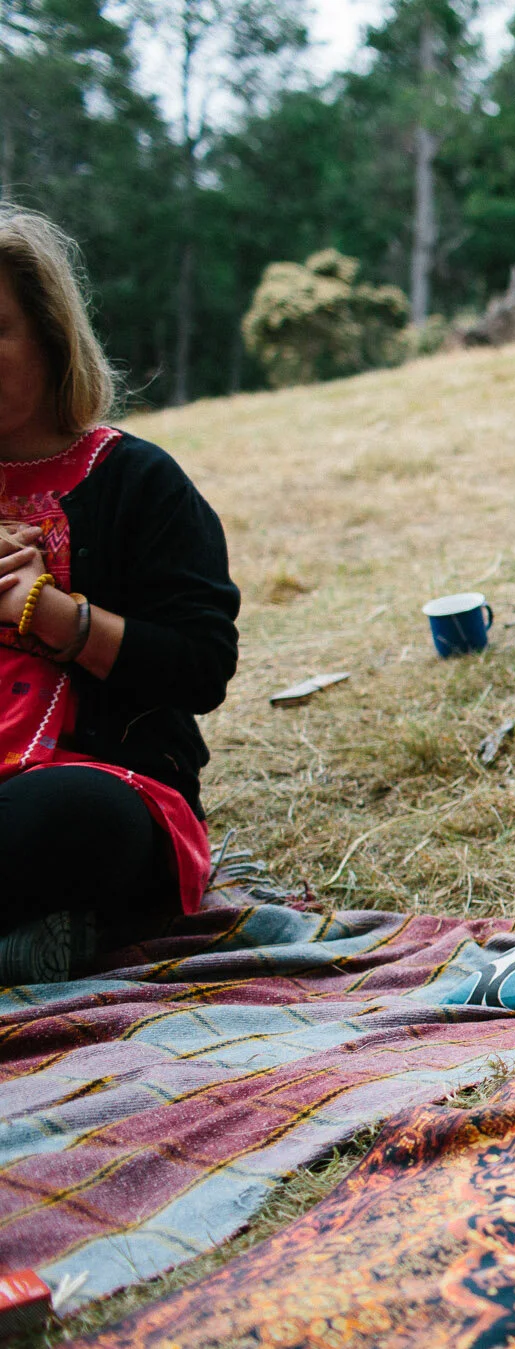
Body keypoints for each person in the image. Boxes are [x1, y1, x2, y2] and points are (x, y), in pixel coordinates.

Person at [0, 207, 238, 984]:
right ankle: (33, 941)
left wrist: (52, 613)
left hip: (99, 787)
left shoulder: (138, 480)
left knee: (70, 816)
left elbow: (201, 666)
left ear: (49, 333)